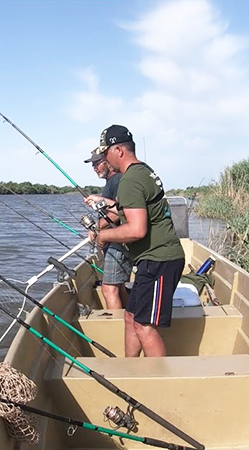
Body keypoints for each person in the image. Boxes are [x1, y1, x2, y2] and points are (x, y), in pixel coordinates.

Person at [84, 125, 185, 357]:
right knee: (130, 317)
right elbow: (130, 211)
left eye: (106, 152)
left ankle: (158, 382)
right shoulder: (143, 171)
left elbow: (137, 229)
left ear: (118, 150)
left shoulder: (130, 180)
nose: (104, 158)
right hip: (152, 260)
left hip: (160, 259)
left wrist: (102, 236)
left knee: (144, 325)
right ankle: (130, 367)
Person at [83, 150, 133, 309]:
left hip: (118, 242)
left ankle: (117, 330)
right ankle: (128, 321)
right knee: (119, 287)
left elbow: (119, 212)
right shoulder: (112, 181)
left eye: (97, 163)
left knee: (109, 289)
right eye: (93, 165)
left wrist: (97, 228)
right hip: (116, 241)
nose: (95, 168)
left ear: (108, 162)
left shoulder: (117, 180)